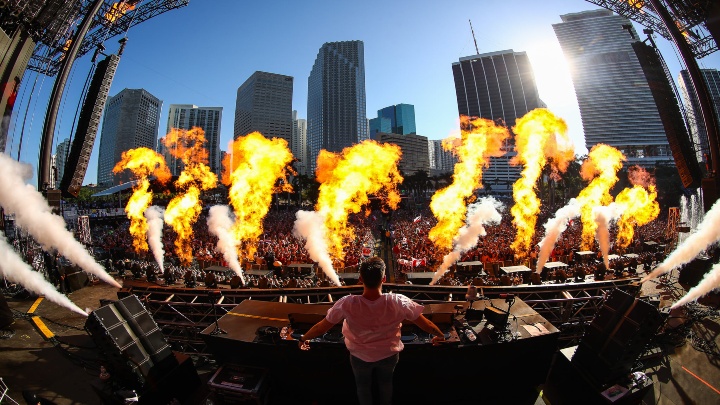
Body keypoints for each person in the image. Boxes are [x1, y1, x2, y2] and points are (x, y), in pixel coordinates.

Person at [298, 256, 445, 405]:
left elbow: (322, 327)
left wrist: (304, 338)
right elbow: (426, 324)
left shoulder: (347, 303)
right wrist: (439, 335)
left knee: (363, 387)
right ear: (384, 278)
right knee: (386, 384)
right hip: (389, 354)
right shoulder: (399, 301)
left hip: (359, 356)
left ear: (360, 279)